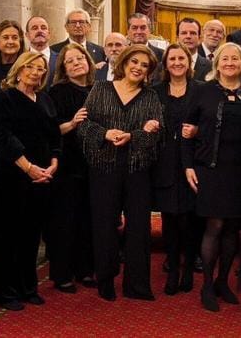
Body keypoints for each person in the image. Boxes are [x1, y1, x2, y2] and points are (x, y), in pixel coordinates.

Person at [77, 45, 163, 301]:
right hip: (103, 167)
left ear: (149, 71)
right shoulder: (100, 89)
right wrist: (104, 133)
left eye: (144, 65)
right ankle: (105, 280)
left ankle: (136, 285)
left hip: (137, 169)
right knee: (104, 225)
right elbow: (83, 125)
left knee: (139, 227)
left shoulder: (150, 97)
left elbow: (156, 134)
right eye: (134, 61)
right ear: (124, 62)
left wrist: (133, 135)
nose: (138, 67)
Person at [183, 42, 241, 312]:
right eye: (224, 59)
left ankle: (223, 282)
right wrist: (188, 166)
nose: (229, 63)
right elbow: (185, 132)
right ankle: (206, 284)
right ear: (216, 64)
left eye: (235, 59)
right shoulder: (202, 91)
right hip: (210, 168)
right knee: (214, 226)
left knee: (232, 228)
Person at [0, 52, 60, 310]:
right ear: (18, 70)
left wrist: (54, 162)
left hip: (41, 176)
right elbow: (3, 137)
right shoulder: (4, 98)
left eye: (40, 67)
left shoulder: (45, 99)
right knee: (8, 234)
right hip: (12, 175)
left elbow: (54, 136)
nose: (35, 71)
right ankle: (6, 291)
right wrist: (28, 167)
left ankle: (27, 286)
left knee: (31, 234)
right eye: (29, 66)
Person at [47, 43, 99, 292]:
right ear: (64, 68)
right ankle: (62, 273)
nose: (77, 62)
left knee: (88, 220)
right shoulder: (57, 92)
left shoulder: (99, 89)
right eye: (71, 61)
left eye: (81, 58)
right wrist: (72, 123)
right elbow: (50, 130)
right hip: (67, 164)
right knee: (65, 220)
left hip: (95, 163)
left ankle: (86, 270)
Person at [152, 43, 199, 296]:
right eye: (173, 59)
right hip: (164, 163)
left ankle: (189, 268)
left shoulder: (201, 90)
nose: (177, 62)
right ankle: (172, 270)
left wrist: (198, 130)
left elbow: (210, 121)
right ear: (166, 63)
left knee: (189, 219)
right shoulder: (155, 91)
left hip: (192, 163)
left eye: (182, 58)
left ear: (189, 62)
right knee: (169, 219)